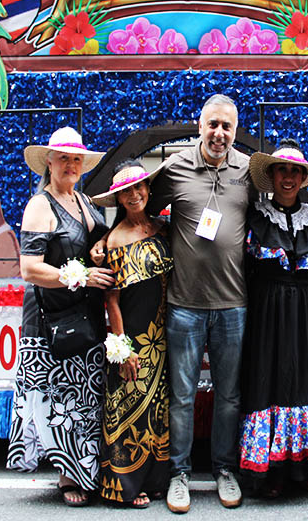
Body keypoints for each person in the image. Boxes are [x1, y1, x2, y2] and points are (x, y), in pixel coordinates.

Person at [147, 94, 255, 514]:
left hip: (233, 304)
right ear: (199, 126)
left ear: (234, 130)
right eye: (212, 124)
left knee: (229, 395)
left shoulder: (248, 171)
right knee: (183, 396)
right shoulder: (174, 168)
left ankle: (225, 469)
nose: (219, 133)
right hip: (184, 304)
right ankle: (179, 475)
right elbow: (141, 210)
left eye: (227, 126)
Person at [7, 127, 115, 507]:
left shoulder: (82, 200)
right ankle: (69, 474)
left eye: (76, 160)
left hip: (84, 312)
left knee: (83, 392)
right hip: (50, 319)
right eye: (64, 158)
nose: (71, 165)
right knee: (60, 396)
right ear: (49, 163)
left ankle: (84, 469)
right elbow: (30, 269)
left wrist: (100, 248)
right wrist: (82, 275)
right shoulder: (40, 205)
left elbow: (97, 237)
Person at [238, 139, 308, 497]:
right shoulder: (253, 218)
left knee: (305, 382)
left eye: (295, 171)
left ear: (303, 177)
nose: (288, 177)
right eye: (282, 170)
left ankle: (307, 465)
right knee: (270, 381)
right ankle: (272, 472)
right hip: (267, 313)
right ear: (271, 175)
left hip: (305, 312)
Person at [91, 159, 174, 508]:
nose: (134, 193)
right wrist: (123, 348)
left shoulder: (163, 229)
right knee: (128, 407)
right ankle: (124, 484)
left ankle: (155, 480)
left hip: (164, 337)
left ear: (148, 190)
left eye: (139, 187)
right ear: (118, 198)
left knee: (157, 410)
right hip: (133, 340)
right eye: (126, 190)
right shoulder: (111, 241)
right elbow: (111, 302)